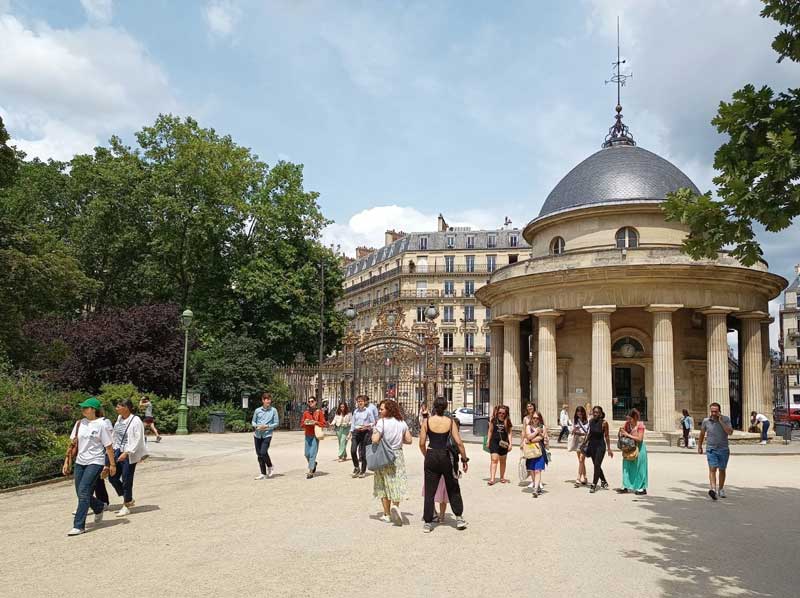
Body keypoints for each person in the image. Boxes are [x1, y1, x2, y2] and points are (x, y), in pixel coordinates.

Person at [63, 397, 116, 536]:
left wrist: (111, 464)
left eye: (86, 407)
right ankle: (98, 507)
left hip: (95, 461)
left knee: (84, 491)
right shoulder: (79, 423)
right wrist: (66, 461)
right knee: (80, 492)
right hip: (80, 461)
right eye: (82, 407)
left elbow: (109, 446)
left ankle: (79, 525)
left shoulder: (102, 424)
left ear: (93, 409)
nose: (82, 409)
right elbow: (72, 445)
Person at [418, 397, 468, 532]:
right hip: (446, 455)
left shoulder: (427, 421)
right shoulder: (450, 421)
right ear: (446, 407)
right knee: (453, 486)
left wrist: (426, 455)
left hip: (432, 453)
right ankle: (458, 517)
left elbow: (422, 443)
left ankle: (428, 522)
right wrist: (464, 459)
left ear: (434, 406)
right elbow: (459, 443)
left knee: (430, 490)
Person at [372, 399, 412, 526]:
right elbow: (409, 440)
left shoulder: (381, 422)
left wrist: (374, 434)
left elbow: (375, 439)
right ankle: (395, 506)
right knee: (396, 481)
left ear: (388, 410)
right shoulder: (401, 423)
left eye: (382, 409)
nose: (380, 410)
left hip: (384, 454)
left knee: (382, 483)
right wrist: (398, 440)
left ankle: (387, 514)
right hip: (397, 454)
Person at [108, 399, 147, 517]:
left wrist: (127, 452)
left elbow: (138, 438)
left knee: (126, 479)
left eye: (118, 406)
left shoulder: (136, 421)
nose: (116, 408)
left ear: (126, 407)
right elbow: (114, 435)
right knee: (112, 477)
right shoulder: (119, 419)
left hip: (128, 454)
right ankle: (128, 498)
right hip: (117, 451)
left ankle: (126, 505)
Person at [698, 402, 734, 500]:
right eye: (712, 411)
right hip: (711, 448)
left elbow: (730, 432)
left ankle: (721, 488)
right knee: (712, 469)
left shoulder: (726, 419)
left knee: (722, 469)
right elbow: (701, 434)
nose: (713, 413)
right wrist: (699, 446)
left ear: (719, 411)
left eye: (716, 411)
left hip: (723, 448)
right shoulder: (706, 421)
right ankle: (713, 490)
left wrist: (721, 421)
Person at [617, 408, 648, 496]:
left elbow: (640, 439)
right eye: (627, 418)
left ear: (635, 417)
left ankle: (641, 487)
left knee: (640, 468)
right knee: (626, 466)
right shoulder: (627, 424)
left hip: (639, 448)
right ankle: (626, 486)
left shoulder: (640, 425)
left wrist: (627, 435)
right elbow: (622, 433)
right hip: (628, 448)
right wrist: (622, 432)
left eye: (630, 418)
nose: (628, 420)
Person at [252, 393, 280, 479]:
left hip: (267, 434)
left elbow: (276, 423)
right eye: (266, 399)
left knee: (263, 452)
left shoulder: (273, 410)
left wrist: (267, 426)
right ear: (263, 400)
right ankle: (263, 473)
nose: (268, 401)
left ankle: (270, 466)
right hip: (257, 434)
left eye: (269, 399)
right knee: (259, 454)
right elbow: (253, 421)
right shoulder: (257, 410)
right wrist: (256, 426)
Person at [348, 395, 378, 478]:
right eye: (358, 401)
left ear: (364, 402)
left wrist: (367, 426)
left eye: (361, 401)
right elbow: (353, 423)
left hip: (365, 433)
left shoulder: (368, 411)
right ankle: (356, 467)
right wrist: (350, 432)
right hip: (356, 432)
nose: (360, 403)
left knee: (364, 453)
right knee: (353, 450)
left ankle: (363, 470)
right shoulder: (355, 411)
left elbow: (373, 422)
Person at [585, 406, 613, 493]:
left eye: (597, 412)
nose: (595, 414)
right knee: (596, 465)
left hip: (600, 446)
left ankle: (594, 484)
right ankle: (603, 481)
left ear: (601, 414)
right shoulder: (591, 421)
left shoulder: (604, 423)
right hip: (592, 445)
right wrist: (584, 443)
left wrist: (609, 448)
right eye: (594, 412)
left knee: (597, 464)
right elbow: (589, 434)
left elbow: (607, 436)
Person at [521, 411, 547, 498]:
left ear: (540, 419)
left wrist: (531, 439)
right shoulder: (528, 426)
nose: (535, 419)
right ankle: (537, 486)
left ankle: (535, 489)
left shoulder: (543, 427)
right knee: (532, 470)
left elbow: (541, 437)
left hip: (540, 451)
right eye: (534, 418)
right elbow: (528, 436)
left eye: (537, 418)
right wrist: (536, 432)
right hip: (530, 452)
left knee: (537, 470)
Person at [300, 397, 326, 479]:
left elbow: (323, 423)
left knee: (312, 453)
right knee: (306, 454)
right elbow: (301, 424)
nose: (310, 403)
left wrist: (316, 422)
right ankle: (313, 464)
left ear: (315, 402)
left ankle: (310, 471)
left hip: (315, 435)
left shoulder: (319, 412)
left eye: (312, 401)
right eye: (309, 401)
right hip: (308, 434)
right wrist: (305, 423)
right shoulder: (306, 413)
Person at [486, 404, 512, 485]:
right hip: (494, 442)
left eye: (503, 413)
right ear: (497, 413)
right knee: (494, 460)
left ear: (506, 414)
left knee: (503, 461)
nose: (501, 414)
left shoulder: (507, 421)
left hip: (504, 443)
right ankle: (492, 479)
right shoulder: (493, 420)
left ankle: (502, 477)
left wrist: (510, 443)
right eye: (500, 413)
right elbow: (490, 431)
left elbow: (509, 433)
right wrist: (488, 441)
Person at [567, 405, 590, 487]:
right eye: (578, 412)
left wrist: (580, 432)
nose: (579, 413)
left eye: (581, 411)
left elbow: (588, 432)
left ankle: (578, 478)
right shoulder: (575, 421)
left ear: (583, 412)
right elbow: (572, 432)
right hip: (578, 441)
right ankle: (585, 477)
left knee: (581, 459)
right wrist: (574, 430)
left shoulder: (588, 420)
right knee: (581, 461)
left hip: (585, 441)